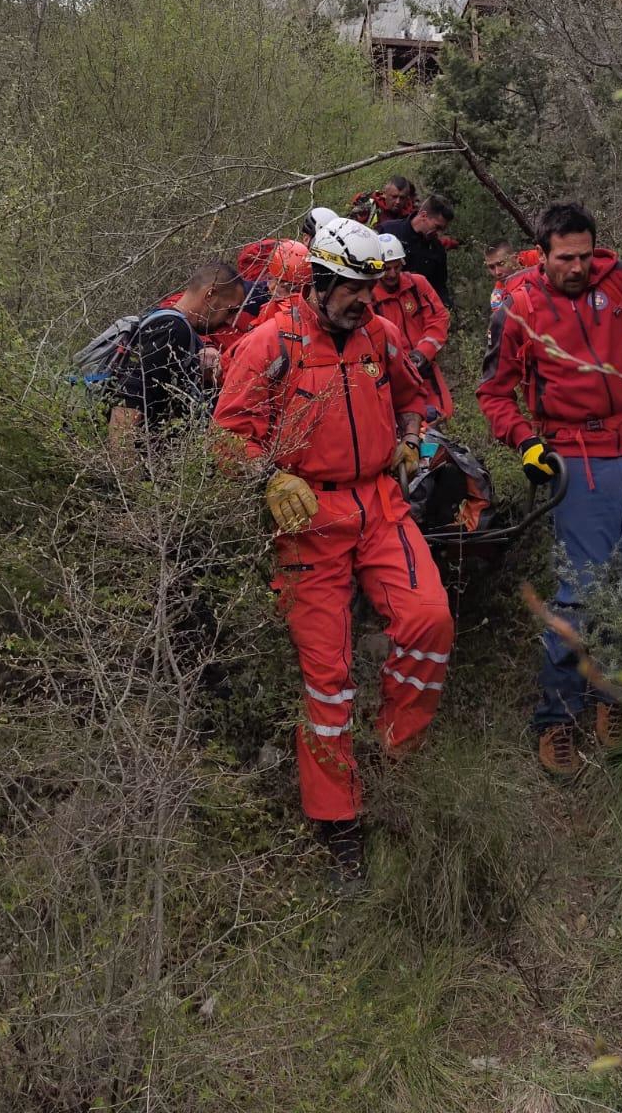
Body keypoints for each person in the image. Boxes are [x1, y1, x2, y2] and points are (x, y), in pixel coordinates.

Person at [211, 217, 454, 887]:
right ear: (318, 280)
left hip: (380, 505)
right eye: (350, 288)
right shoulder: (270, 345)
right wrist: (271, 476)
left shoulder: (380, 333)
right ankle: (337, 818)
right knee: (329, 675)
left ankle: (395, 756)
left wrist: (410, 432)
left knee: (429, 620)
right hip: (308, 517)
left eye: (371, 289)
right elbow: (228, 434)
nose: (363, 301)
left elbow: (415, 395)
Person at [477, 199, 622, 779]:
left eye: (585, 255)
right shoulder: (517, 305)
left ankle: (612, 694)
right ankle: (556, 716)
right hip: (576, 459)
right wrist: (526, 445)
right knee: (582, 591)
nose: (578, 267)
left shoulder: (619, 280)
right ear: (544, 254)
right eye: (566, 258)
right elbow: (492, 393)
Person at [109, 259, 245, 457]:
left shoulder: (176, 329)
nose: (231, 320)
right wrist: (124, 480)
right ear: (210, 295)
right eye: (231, 310)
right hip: (149, 475)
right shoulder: (172, 330)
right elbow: (128, 404)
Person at [373, 233, 453, 420]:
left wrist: (422, 353)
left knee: (442, 415)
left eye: (396, 267)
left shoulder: (417, 285)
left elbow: (438, 318)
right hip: (395, 376)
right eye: (386, 269)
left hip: (424, 366)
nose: (392, 274)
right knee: (407, 422)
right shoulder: (370, 296)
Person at [378, 193, 456, 306]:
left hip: (416, 313)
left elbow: (439, 288)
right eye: (437, 227)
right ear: (424, 215)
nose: (439, 234)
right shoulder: (388, 230)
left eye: (443, 229)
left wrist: (446, 308)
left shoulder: (437, 250)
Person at [349, 175, 416, 229]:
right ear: (384, 194)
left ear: (407, 198)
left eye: (402, 198)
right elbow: (348, 227)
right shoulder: (368, 203)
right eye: (394, 197)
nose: (398, 202)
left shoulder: (411, 215)